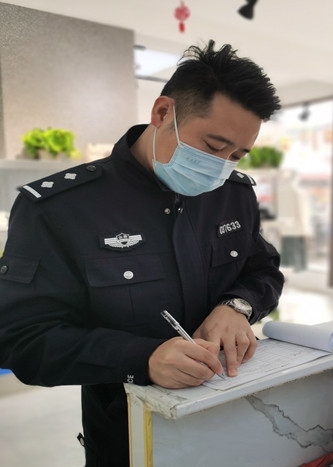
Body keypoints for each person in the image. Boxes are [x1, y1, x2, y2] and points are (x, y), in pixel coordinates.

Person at [0, 41, 284, 465]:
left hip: (236, 418)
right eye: (213, 146)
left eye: (237, 155)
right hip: (129, 435)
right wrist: (143, 359)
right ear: (163, 113)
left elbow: (263, 270)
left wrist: (237, 306)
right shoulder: (60, 208)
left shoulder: (234, 194)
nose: (222, 165)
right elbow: (21, 339)